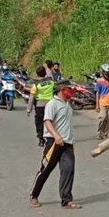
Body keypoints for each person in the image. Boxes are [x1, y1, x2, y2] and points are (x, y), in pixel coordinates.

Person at [29, 80, 82, 209]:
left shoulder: (67, 104)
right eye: (68, 88)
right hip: (54, 142)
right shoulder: (52, 104)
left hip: (67, 143)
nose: (70, 91)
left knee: (68, 169)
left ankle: (66, 200)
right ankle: (34, 195)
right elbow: (47, 121)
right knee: (45, 169)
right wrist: (56, 136)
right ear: (61, 89)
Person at [26, 66, 55, 147]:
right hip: (51, 105)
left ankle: (41, 140)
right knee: (51, 121)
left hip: (40, 106)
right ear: (45, 73)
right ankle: (52, 137)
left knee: (40, 123)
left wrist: (29, 109)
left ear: (37, 74)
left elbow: (31, 98)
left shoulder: (36, 84)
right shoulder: (51, 82)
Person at [95, 63, 109, 140]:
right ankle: (99, 132)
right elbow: (98, 93)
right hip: (103, 103)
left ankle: (105, 134)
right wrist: (97, 105)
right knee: (103, 117)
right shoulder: (99, 81)